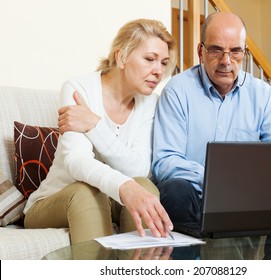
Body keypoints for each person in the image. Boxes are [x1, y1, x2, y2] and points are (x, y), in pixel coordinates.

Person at [152, 12, 271, 229]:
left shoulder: (262, 94)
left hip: (248, 198)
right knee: (175, 190)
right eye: (216, 50)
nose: (226, 61)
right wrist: (219, 179)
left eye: (236, 51)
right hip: (194, 194)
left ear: (244, 53)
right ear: (200, 52)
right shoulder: (177, 90)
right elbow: (165, 162)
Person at [23, 18, 177, 244]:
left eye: (163, 63)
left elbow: (138, 168)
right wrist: (123, 185)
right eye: (149, 59)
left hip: (112, 199)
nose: (158, 71)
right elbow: (76, 162)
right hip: (56, 200)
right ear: (121, 57)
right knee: (87, 193)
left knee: (144, 186)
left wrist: (95, 125)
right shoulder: (79, 89)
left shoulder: (151, 103)